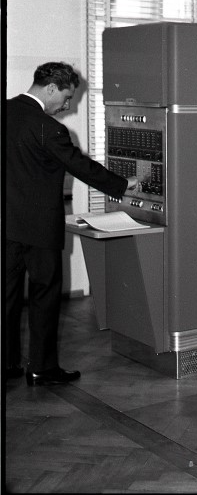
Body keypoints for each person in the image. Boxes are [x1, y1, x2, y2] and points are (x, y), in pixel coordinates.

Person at [5, 61, 138, 386]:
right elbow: (80, 166)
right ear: (51, 88)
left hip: (5, 227)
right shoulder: (48, 128)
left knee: (6, 299)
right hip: (39, 230)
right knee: (44, 298)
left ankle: (7, 364)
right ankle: (41, 368)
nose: (66, 106)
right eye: (66, 98)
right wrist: (122, 185)